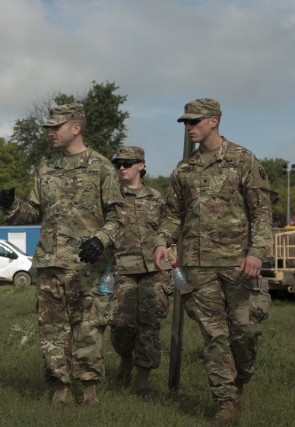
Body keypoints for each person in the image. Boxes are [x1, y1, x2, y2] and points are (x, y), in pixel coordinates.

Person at [153, 98, 273, 425]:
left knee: (244, 332)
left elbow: (261, 212)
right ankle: (226, 402)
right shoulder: (184, 169)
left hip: (239, 264)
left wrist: (256, 252)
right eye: (185, 122)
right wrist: (162, 240)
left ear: (214, 121)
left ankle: (240, 381)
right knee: (214, 335)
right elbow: (173, 213)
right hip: (198, 265)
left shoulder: (242, 160)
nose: (189, 127)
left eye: (195, 121)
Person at [0, 103, 124, 406]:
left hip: (86, 266)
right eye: (49, 128)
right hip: (50, 262)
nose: (51, 133)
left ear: (75, 128)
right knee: (52, 329)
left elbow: (118, 216)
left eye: (56, 127)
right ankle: (60, 388)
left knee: (89, 328)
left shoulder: (101, 167)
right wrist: (11, 205)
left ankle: (90, 390)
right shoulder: (46, 168)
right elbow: (32, 211)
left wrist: (101, 239)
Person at [109, 146, 172, 397]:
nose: (122, 167)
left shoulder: (156, 198)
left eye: (128, 163)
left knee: (150, 323)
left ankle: (143, 378)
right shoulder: (111, 198)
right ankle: (125, 357)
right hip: (122, 267)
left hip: (153, 269)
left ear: (141, 165)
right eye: (119, 164)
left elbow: (168, 228)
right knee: (121, 324)